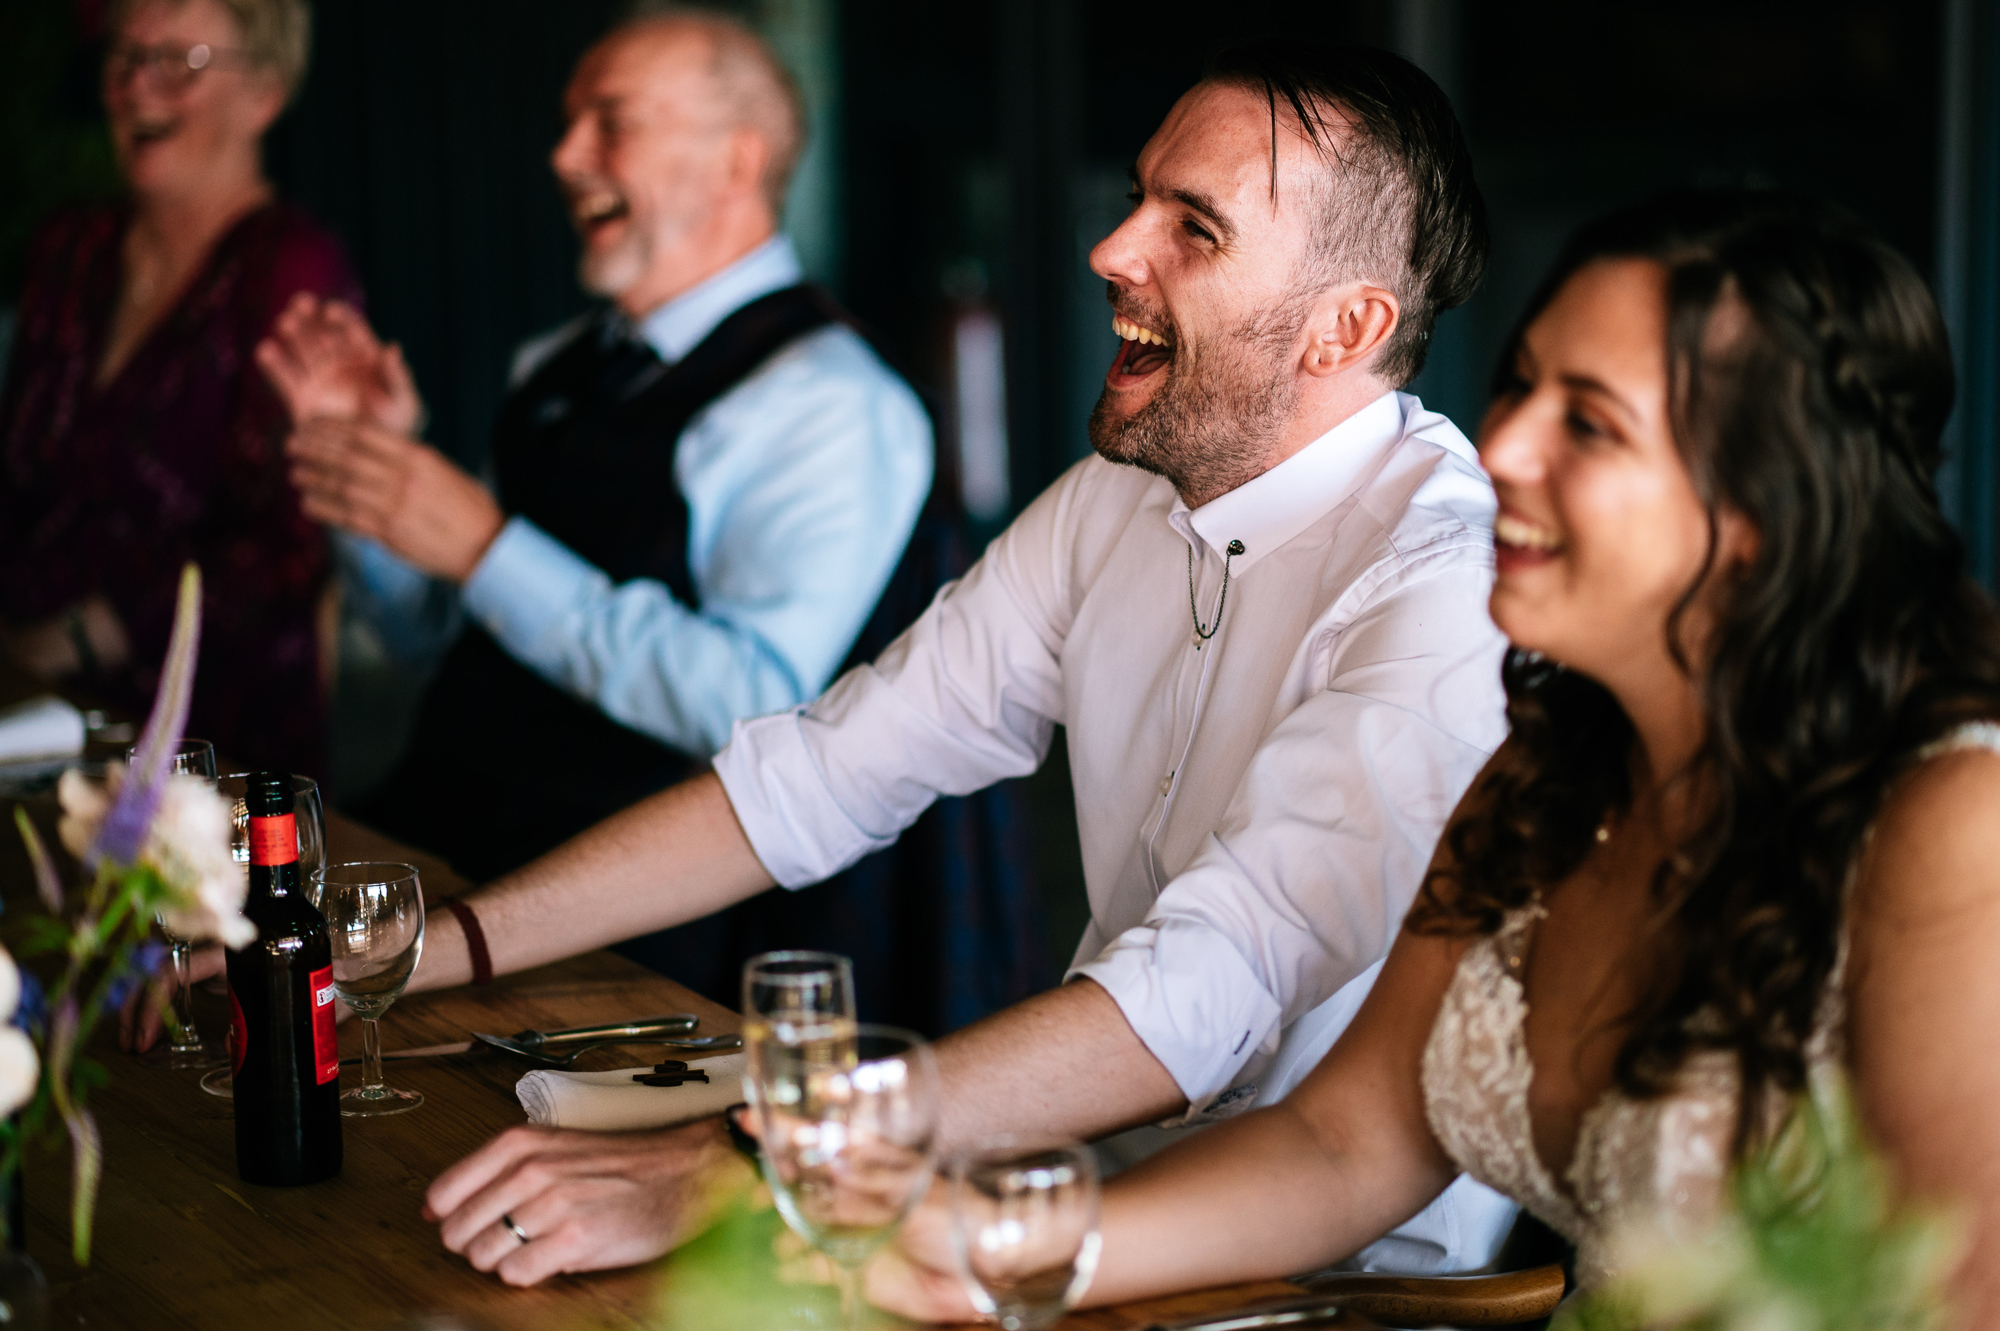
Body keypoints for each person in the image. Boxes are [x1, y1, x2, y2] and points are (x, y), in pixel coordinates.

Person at [413, 42, 1524, 1287]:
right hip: (1060, 1190)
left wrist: (755, 1159)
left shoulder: (1444, 591)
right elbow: (817, 777)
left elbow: (1213, 984)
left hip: (1352, 1288)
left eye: (1192, 227)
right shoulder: (1113, 501)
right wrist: (421, 948)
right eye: (1134, 199)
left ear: (1346, 327)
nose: (1111, 250)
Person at [874, 191, 2000, 1323]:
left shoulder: (1948, 819)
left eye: (1590, 422)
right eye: (1520, 384)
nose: (1503, 444)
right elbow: (1344, 1142)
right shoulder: (1550, 775)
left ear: (1761, 505)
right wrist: (983, 1240)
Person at [247, 11, 986, 1019]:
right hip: (437, 843)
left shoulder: (832, 401)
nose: (563, 154)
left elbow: (752, 701)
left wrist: (483, 543)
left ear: (737, 159)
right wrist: (370, 480)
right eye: (567, 122)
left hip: (632, 935)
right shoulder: (551, 364)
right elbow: (437, 636)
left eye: (610, 120)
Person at [0, 0, 350, 776]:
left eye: (179, 62)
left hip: (204, 742)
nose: (136, 84)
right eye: (124, 55)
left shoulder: (292, 272)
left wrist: (83, 635)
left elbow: (289, 554)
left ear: (265, 92)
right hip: (25, 708)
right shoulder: (70, 248)